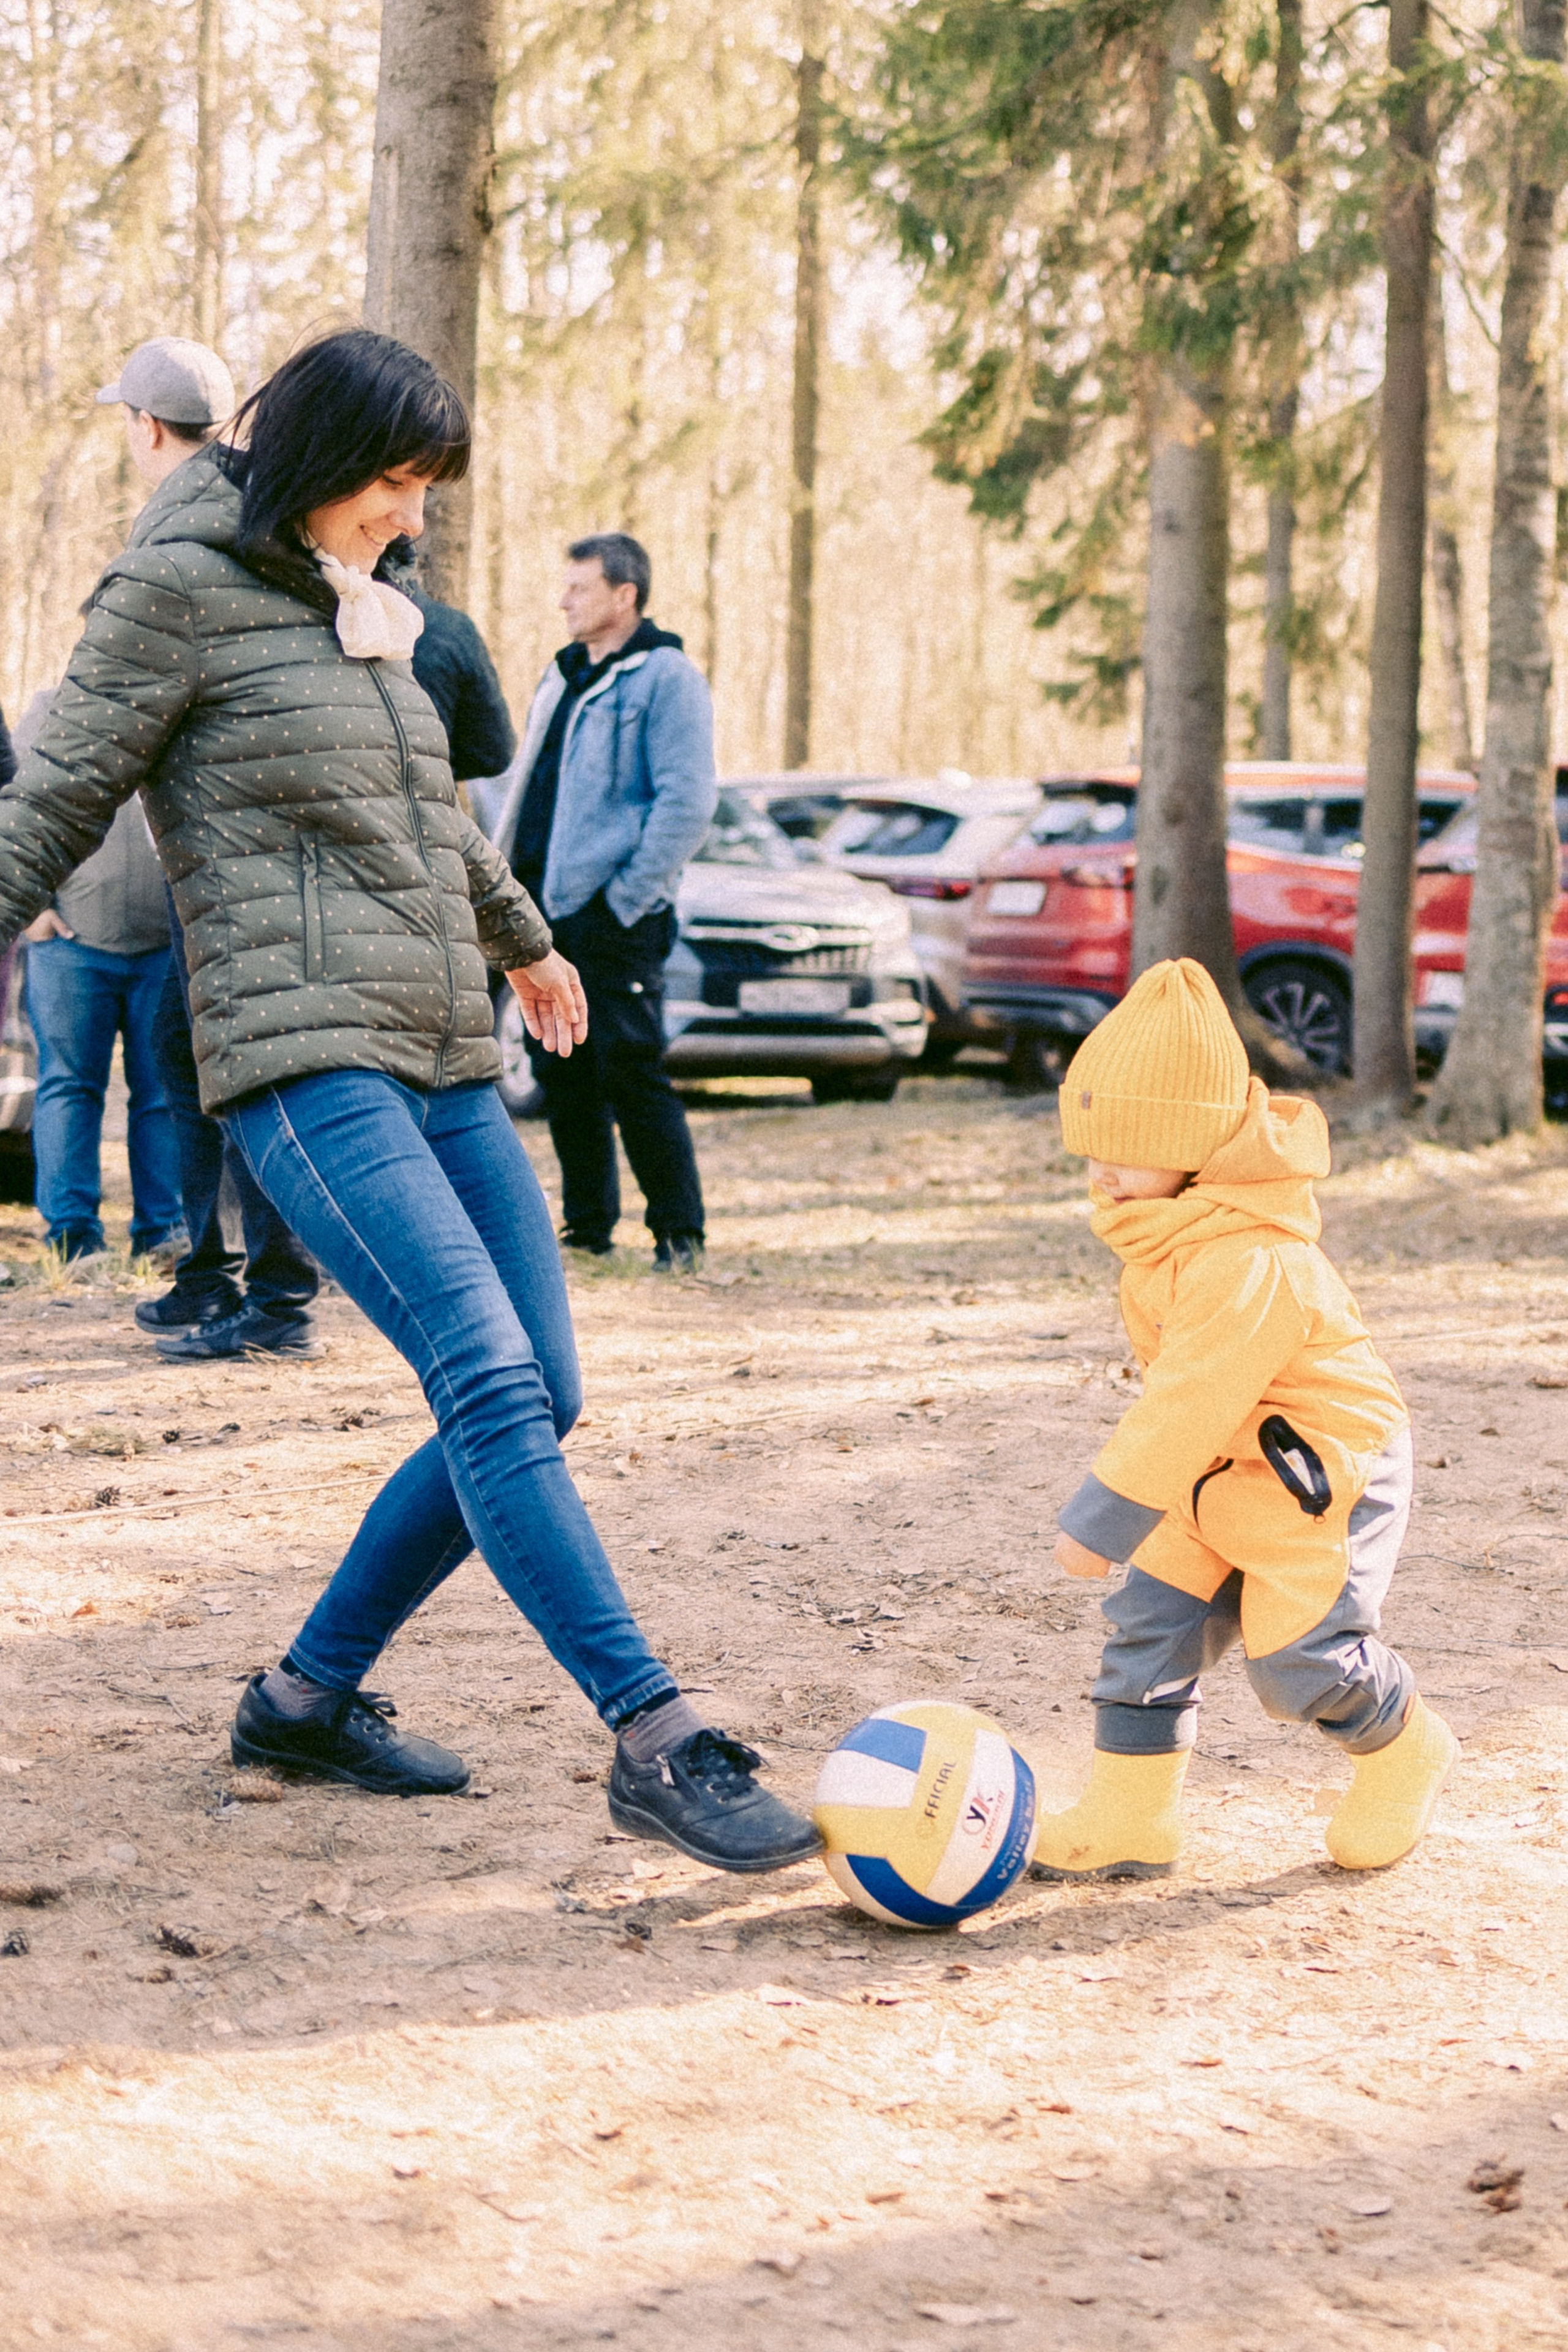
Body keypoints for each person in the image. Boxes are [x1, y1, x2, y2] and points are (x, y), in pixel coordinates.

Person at [0, 327, 818, 1875]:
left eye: (422, 488)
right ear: (317, 462)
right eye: (393, 481)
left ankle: (303, 1698)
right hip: (302, 1061)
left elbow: (419, 805)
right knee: (492, 1381)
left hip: (440, 1045)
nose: (412, 515)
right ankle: (650, 1732)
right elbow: (50, 799)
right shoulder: (170, 593)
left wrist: (522, 938)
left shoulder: (361, 600)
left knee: (540, 1388)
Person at [1035, 959, 1457, 1879]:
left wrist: (1101, 1517)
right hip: (1216, 1467)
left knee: (1299, 1656)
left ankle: (1404, 1748)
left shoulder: (1248, 1257)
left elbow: (1190, 1399)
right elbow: (1187, 1407)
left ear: (1196, 1145)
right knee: (1150, 1623)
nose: (1100, 1170)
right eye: (1089, 1144)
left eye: (1127, 1145)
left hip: (1318, 1467)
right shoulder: (1168, 1223)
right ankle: (1131, 1816)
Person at [92, 336, 320, 1357]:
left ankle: (274, 1300)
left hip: (229, 875)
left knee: (235, 1074)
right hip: (244, 871)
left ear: (146, 428)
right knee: (198, 1065)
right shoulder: (274, 528)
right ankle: (216, 1274)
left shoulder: (179, 550)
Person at [489, 534, 714, 1270]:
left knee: (631, 1067)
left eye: (580, 589)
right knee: (563, 1071)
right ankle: (587, 1228)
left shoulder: (666, 677)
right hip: (542, 912)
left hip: (614, 917)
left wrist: (625, 900)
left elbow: (686, 802)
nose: (563, 601)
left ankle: (679, 1236)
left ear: (626, 596)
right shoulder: (561, 676)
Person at [15, 692, 182, 1262]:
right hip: (71, 943)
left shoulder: (181, 705)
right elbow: (13, 803)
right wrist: (32, 907)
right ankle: (73, 1235)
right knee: (69, 1086)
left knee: (163, 1093)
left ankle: (163, 1233)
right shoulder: (51, 711)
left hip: (165, 946)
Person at [381, 541, 516, 786]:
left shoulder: (307, 620)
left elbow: (494, 754)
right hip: (425, 803)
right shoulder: (452, 629)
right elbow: (494, 754)